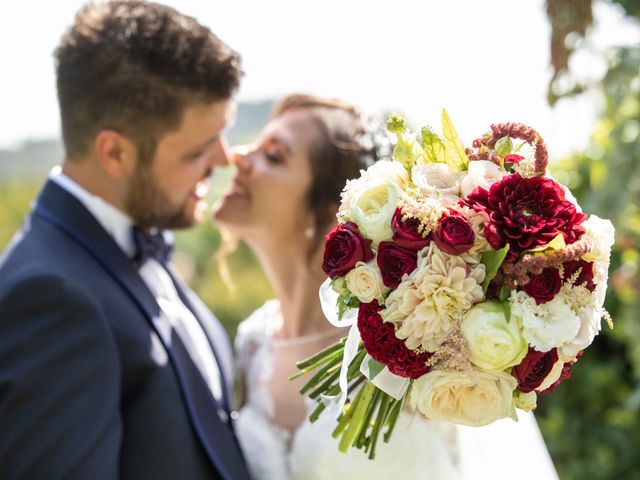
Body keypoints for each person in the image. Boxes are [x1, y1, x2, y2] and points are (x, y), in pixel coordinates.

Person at [214, 94, 559, 479]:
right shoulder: (252, 343)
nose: (237, 156)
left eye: (274, 156)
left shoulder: (409, 348)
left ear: (333, 210)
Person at [0, 2, 250, 479]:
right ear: (115, 152)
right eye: (198, 149)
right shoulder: (50, 299)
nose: (223, 160)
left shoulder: (137, 245)